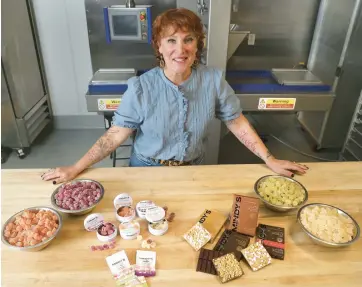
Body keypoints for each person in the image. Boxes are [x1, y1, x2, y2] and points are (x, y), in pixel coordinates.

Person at [42, 8, 308, 184]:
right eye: (171, 40)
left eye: (188, 39)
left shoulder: (213, 80)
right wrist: (76, 167)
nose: (180, 49)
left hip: (194, 170)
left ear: (197, 45)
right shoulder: (140, 88)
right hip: (146, 172)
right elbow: (115, 135)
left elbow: (236, 122)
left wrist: (269, 159)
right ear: (159, 46)